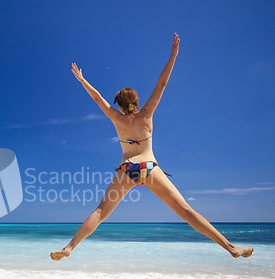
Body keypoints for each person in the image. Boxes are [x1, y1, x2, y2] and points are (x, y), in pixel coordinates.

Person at [50, 33, 254, 261]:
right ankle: (231, 248)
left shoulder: (117, 119)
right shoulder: (146, 114)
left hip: (127, 170)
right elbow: (162, 82)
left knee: (100, 213)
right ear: (136, 101)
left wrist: (81, 80)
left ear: (118, 103)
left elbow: (98, 99)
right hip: (150, 167)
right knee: (186, 212)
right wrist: (174, 53)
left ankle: (69, 247)